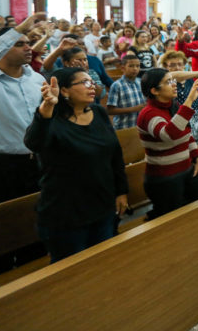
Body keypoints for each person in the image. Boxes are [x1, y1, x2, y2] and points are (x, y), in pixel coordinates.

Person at [24, 68, 128, 263]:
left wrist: (121, 190)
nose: (93, 87)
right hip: (67, 213)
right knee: (73, 273)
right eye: (85, 83)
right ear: (64, 91)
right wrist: (46, 108)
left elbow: (115, 154)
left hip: (102, 205)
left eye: (92, 82)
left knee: (103, 263)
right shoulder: (51, 120)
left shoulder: (98, 112)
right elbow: (33, 143)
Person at [0, 13, 48, 275]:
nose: (29, 47)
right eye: (19, 43)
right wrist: (18, 28)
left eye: (29, 42)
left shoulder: (36, 80)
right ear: (1, 49)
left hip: (36, 163)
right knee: (1, 236)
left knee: (36, 231)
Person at [137, 69, 198, 219]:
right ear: (154, 90)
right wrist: (189, 101)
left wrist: (197, 158)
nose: (174, 84)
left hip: (186, 170)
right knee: (176, 222)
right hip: (164, 179)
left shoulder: (172, 106)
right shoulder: (148, 114)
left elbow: (186, 133)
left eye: (172, 80)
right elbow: (169, 134)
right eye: (168, 82)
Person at [160, 50, 198, 143]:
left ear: (184, 65)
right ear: (166, 67)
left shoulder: (190, 81)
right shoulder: (166, 82)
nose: (177, 67)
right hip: (177, 126)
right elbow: (172, 75)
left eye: (180, 64)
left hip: (195, 127)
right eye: (172, 65)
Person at [106, 54, 145, 130]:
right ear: (123, 68)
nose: (135, 69)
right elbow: (110, 110)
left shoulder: (141, 82)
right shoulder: (117, 85)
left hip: (140, 127)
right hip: (124, 127)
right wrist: (134, 109)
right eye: (131, 66)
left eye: (138, 66)